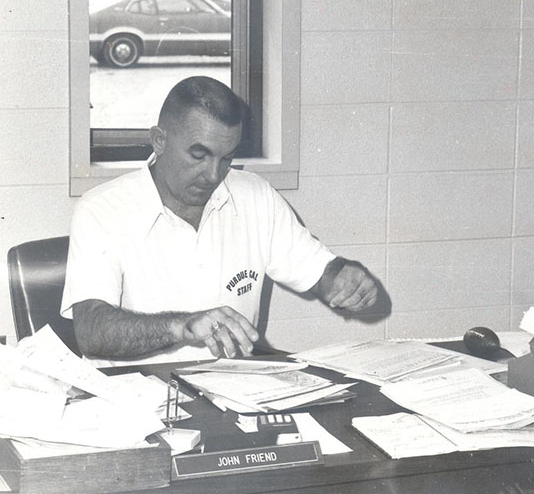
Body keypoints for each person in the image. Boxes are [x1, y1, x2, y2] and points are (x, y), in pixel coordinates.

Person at [60, 76, 381, 364]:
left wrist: (345, 278)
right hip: (137, 400)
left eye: (226, 158)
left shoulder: (255, 196)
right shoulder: (101, 210)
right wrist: (183, 326)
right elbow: (91, 331)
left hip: (234, 392)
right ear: (159, 140)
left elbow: (320, 273)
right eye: (198, 156)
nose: (213, 175)